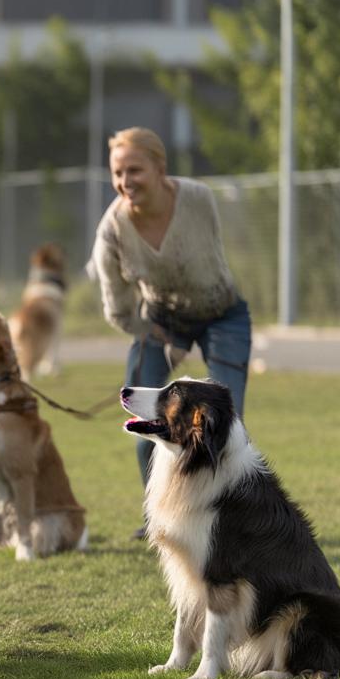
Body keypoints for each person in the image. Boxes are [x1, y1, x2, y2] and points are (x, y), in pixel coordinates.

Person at [90, 127, 251, 538]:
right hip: (158, 321)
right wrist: (158, 334)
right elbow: (117, 307)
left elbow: (206, 267)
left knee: (225, 423)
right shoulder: (111, 230)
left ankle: (226, 516)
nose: (125, 182)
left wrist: (187, 336)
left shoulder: (197, 198)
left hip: (221, 314)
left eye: (135, 170)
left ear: (160, 168)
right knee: (145, 420)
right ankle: (160, 518)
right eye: (117, 172)